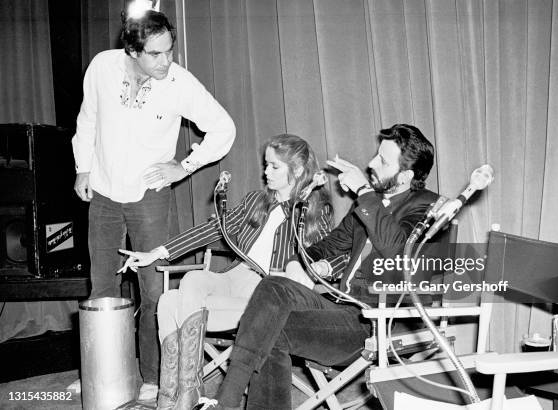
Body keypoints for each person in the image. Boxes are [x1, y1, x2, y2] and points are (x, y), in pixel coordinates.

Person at [196, 124, 439, 410]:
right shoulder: (368, 204)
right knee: (273, 288)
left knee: (270, 329)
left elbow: (397, 249)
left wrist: (363, 191)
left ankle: (223, 403)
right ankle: (224, 402)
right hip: (341, 307)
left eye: (383, 161)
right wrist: (301, 262)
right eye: (376, 155)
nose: (371, 163)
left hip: (374, 321)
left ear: (406, 175)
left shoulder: (426, 207)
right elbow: (329, 244)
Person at [71, 10, 236, 400]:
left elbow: (224, 127)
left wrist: (184, 166)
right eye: (156, 54)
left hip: (149, 197)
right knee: (102, 288)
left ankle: (150, 378)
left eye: (170, 51)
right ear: (131, 50)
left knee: (153, 291)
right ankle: (101, 373)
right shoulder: (102, 68)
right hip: (105, 193)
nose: (167, 61)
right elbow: (88, 119)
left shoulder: (179, 82)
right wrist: (82, 169)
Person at [119, 134, 334, 409]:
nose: (265, 171)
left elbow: (329, 255)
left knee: (170, 301)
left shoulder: (313, 213)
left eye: (274, 167)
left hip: (269, 295)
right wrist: (158, 252)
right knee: (192, 278)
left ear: (299, 171)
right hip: (236, 278)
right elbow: (213, 228)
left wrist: (314, 262)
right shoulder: (257, 201)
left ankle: (174, 397)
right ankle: (186, 393)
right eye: (266, 164)